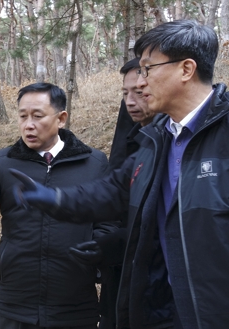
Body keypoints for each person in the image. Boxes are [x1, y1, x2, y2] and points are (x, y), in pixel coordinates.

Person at [11, 20, 229, 329]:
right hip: (162, 308)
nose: (141, 81)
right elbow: (112, 192)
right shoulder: (155, 138)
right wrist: (52, 198)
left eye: (148, 69)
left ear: (186, 69)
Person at [0, 82, 112, 328]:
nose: (28, 124)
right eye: (22, 116)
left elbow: (108, 221)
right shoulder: (3, 161)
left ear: (61, 118)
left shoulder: (93, 163)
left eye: (37, 116)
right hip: (17, 301)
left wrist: (96, 251)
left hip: (75, 301)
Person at [70, 57, 155, 329]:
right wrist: (105, 243)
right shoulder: (130, 137)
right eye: (125, 93)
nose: (131, 101)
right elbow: (116, 203)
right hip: (120, 281)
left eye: (139, 92)